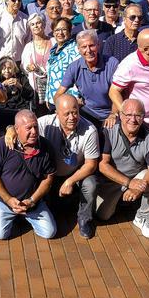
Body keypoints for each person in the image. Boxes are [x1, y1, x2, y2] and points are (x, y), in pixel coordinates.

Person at [96, 99, 149, 239]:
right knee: (103, 215)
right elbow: (103, 165)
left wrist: (137, 188)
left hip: (137, 177)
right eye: (128, 114)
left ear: (143, 117)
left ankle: (143, 217)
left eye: (138, 115)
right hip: (112, 181)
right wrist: (128, 183)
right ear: (120, 115)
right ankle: (120, 202)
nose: (133, 119)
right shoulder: (109, 132)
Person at [37, 94, 100, 238]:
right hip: (50, 174)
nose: (72, 117)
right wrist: (10, 129)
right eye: (66, 114)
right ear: (56, 114)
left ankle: (84, 218)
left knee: (91, 183)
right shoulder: (44, 123)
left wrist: (70, 181)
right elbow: (23, 127)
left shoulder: (90, 130)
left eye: (75, 112)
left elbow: (91, 164)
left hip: (75, 174)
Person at [0, 110, 56, 240]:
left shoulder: (45, 147)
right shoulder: (3, 145)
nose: (34, 131)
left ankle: (23, 216)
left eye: (35, 126)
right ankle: (6, 216)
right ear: (16, 129)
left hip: (32, 203)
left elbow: (48, 178)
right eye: (29, 128)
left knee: (49, 232)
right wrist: (8, 199)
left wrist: (32, 200)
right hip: (4, 201)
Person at [56, 30, 119, 130]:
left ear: (98, 45)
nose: (88, 50)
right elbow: (58, 95)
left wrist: (113, 114)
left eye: (92, 45)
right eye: (84, 47)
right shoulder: (74, 67)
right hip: (87, 115)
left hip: (109, 114)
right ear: (79, 49)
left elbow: (118, 92)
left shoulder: (112, 63)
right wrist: (73, 103)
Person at [44, 18, 80, 106]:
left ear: (70, 31)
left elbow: (77, 77)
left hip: (67, 102)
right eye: (57, 30)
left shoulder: (74, 50)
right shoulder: (53, 50)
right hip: (53, 100)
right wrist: (47, 97)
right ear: (53, 32)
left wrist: (73, 101)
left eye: (64, 29)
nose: (60, 33)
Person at [21, 13, 52, 114]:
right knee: (40, 113)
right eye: (33, 24)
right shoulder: (28, 47)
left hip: (53, 85)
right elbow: (24, 67)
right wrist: (29, 68)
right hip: (37, 88)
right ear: (30, 27)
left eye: (38, 23)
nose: (36, 26)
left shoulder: (54, 41)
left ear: (43, 24)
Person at [0, 57, 35, 129]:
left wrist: (19, 86)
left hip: (19, 108)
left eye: (9, 68)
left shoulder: (21, 78)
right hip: (2, 110)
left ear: (14, 69)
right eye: (3, 68)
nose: (7, 71)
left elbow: (30, 95)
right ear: (0, 70)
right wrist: (2, 85)